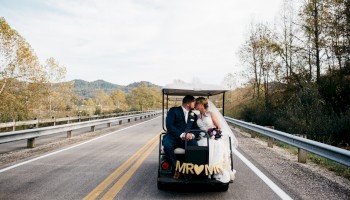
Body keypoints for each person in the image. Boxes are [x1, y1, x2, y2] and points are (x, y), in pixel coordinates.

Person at [195, 97, 238, 183]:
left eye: (197, 104)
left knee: (213, 144)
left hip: (212, 136)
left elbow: (218, 127)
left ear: (201, 104)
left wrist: (213, 134)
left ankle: (213, 171)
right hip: (202, 137)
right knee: (199, 145)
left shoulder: (211, 114)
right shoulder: (197, 116)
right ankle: (202, 170)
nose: (195, 105)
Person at [163, 95, 200, 179]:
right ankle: (177, 168)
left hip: (186, 139)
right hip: (173, 136)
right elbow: (169, 126)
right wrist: (182, 134)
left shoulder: (193, 115)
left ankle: (190, 169)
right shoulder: (173, 111)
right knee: (167, 145)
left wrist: (192, 135)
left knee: (195, 146)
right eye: (194, 102)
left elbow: (196, 129)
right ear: (188, 103)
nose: (195, 104)